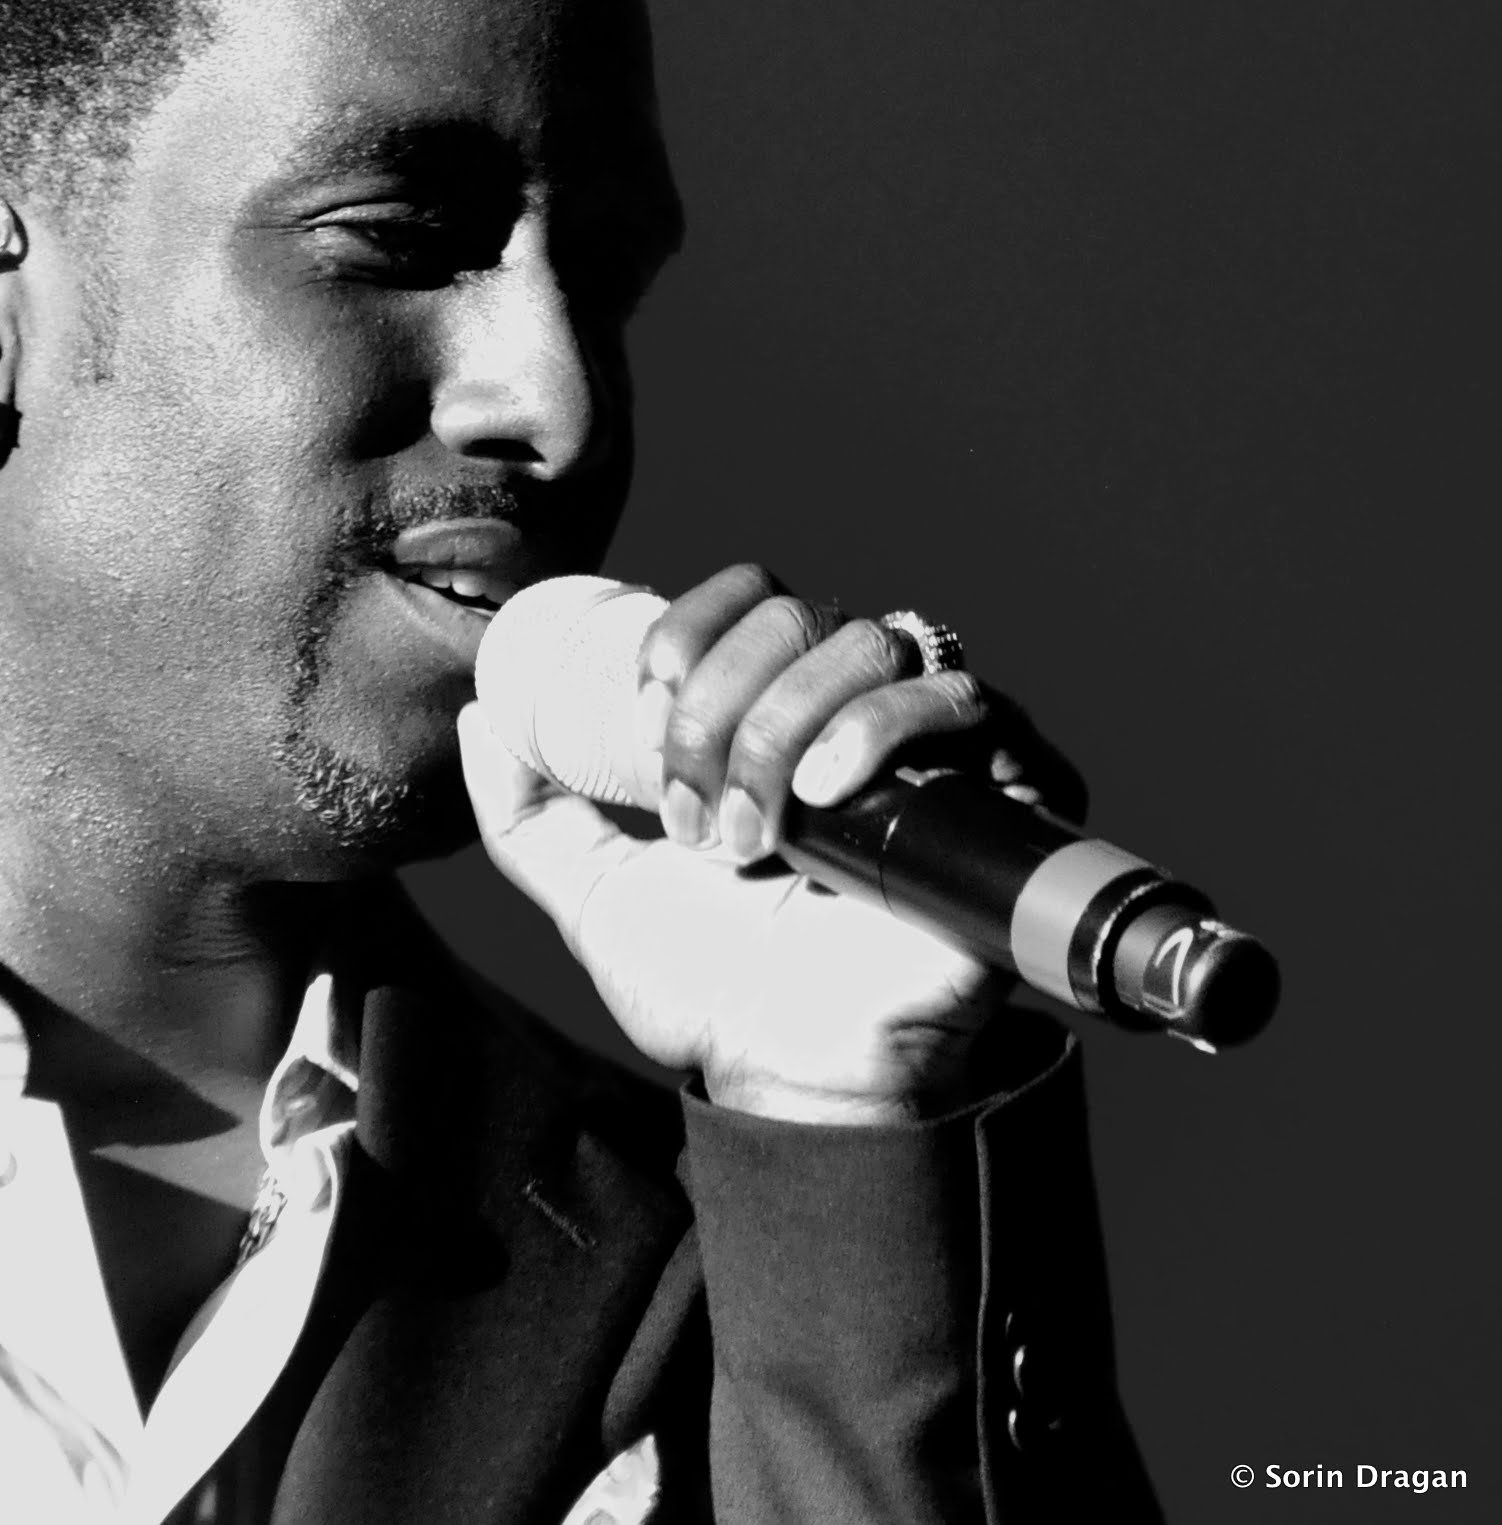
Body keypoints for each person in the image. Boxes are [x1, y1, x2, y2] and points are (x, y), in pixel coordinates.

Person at [0, 0, 1161, 1519]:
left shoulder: (762, 1280)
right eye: (399, 237)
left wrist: (842, 1118)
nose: (560, 403)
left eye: (602, 283)